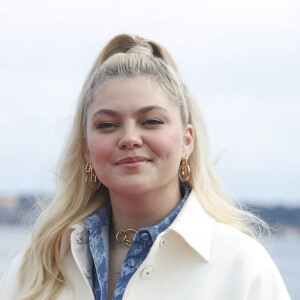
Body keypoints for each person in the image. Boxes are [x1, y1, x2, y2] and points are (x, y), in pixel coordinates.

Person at [0, 34, 290, 300]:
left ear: (187, 141)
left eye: (151, 121)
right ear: (87, 148)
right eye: (108, 125)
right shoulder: (37, 267)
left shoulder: (242, 268)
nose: (129, 139)